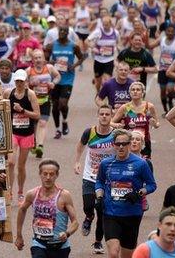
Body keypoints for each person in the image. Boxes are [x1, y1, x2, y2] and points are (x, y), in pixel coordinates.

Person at [95, 129, 157, 258]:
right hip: (111, 213)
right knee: (113, 253)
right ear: (113, 144)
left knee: (127, 255)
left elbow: (152, 185)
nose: (121, 146)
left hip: (132, 213)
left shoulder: (141, 163)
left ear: (129, 144)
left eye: (124, 143)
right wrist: (99, 197)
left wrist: (139, 193)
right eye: (118, 144)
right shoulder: (106, 164)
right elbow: (99, 182)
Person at [15, 159, 79, 258]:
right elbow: (22, 209)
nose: (48, 177)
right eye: (45, 174)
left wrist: (67, 233)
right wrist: (19, 235)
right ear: (40, 174)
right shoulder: (32, 194)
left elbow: (75, 222)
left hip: (60, 246)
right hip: (39, 244)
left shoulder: (64, 195)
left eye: (51, 174)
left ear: (57, 175)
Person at [74, 104, 115, 254]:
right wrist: (77, 162)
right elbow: (80, 146)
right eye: (102, 114)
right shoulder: (89, 132)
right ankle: (88, 217)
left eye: (107, 114)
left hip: (108, 179)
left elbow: (123, 150)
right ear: (98, 116)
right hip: (89, 175)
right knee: (88, 205)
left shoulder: (115, 135)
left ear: (111, 117)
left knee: (102, 210)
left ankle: (98, 242)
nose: (104, 116)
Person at [4, 69, 40, 204]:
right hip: (13, 132)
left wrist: (22, 111)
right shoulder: (8, 93)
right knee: (11, 162)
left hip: (27, 134)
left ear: (26, 81)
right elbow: (2, 110)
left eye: (21, 81)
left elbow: (37, 115)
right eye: (17, 81)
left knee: (21, 166)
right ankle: (9, 191)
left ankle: (20, 192)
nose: (19, 83)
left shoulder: (30, 95)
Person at [44, 26, 84, 139]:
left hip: (68, 79)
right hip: (55, 78)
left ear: (68, 33)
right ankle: (57, 129)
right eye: (60, 30)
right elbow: (45, 59)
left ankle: (65, 121)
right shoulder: (51, 45)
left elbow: (81, 57)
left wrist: (74, 65)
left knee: (63, 103)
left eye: (64, 31)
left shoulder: (73, 46)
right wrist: (50, 62)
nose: (62, 32)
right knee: (55, 106)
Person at [26, 49, 60, 158]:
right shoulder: (28, 71)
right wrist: (30, 84)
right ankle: (34, 142)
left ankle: (40, 146)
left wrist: (53, 83)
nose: (38, 60)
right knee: (33, 125)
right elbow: (23, 85)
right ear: (32, 60)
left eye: (40, 57)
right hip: (33, 102)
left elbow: (58, 76)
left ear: (44, 59)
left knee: (42, 123)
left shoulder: (49, 68)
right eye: (35, 58)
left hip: (45, 100)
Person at [112, 82, 159, 158]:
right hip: (128, 142)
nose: (135, 91)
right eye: (133, 90)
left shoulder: (149, 106)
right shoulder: (125, 107)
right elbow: (111, 122)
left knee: (144, 164)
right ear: (130, 93)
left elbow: (157, 124)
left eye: (138, 90)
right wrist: (117, 125)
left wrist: (154, 124)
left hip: (144, 142)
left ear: (143, 92)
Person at [147, 24, 175, 114]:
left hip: (172, 70)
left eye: (172, 31)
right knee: (163, 91)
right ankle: (165, 110)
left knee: (170, 89)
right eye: (168, 31)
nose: (170, 33)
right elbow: (150, 46)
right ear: (165, 31)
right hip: (162, 69)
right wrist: (145, 39)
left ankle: (170, 103)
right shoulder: (161, 39)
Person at [87, 15, 119, 93]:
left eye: (106, 24)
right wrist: (93, 48)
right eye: (103, 24)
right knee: (98, 81)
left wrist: (115, 49)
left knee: (107, 81)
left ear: (110, 24)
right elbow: (87, 41)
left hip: (109, 60)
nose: (105, 26)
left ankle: (105, 95)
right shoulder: (98, 32)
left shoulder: (115, 33)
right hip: (98, 60)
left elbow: (117, 43)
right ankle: (98, 92)